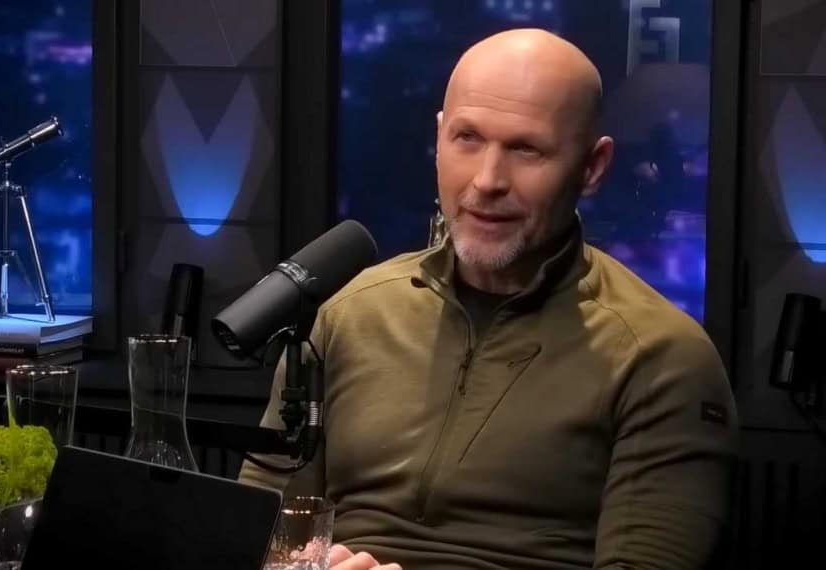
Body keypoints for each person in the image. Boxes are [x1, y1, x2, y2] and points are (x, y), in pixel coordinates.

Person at [240, 28, 738, 569]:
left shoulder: (660, 356)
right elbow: (258, 534)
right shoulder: (350, 314)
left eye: (526, 149)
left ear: (592, 168)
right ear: (439, 139)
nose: (487, 180)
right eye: (468, 138)